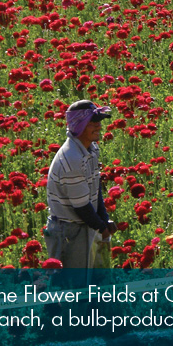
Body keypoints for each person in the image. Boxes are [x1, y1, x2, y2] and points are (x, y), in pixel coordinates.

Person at [44, 100, 117, 269]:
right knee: (73, 286)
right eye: (92, 122)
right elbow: (81, 206)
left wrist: (104, 219)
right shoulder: (72, 159)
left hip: (85, 224)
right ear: (79, 125)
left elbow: (95, 187)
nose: (99, 126)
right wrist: (101, 227)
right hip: (68, 231)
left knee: (93, 282)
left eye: (99, 122)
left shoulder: (91, 149)